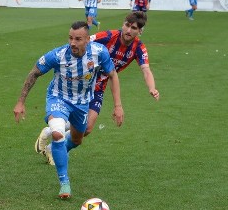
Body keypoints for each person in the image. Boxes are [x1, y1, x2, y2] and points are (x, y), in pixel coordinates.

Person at [13, 21, 123, 199]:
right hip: (58, 98)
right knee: (58, 132)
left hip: (82, 102)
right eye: (71, 38)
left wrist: (118, 106)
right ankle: (64, 183)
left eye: (78, 39)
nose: (73, 43)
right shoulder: (57, 55)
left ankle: (54, 150)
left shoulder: (99, 53)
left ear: (87, 40)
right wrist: (20, 102)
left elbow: (113, 75)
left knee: (78, 139)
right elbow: (34, 72)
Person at [34, 12, 159, 165]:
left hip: (98, 88)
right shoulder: (108, 36)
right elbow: (82, 43)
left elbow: (146, 69)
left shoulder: (138, 48)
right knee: (74, 118)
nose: (128, 30)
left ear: (140, 31)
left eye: (133, 28)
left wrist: (152, 88)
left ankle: (51, 143)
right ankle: (55, 139)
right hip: (81, 83)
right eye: (126, 25)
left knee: (87, 129)